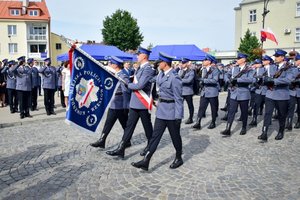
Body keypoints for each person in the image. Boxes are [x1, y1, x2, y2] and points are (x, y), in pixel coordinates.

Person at [131, 52, 184, 171]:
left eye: (159, 62)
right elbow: (150, 81)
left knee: (175, 137)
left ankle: (178, 157)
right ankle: (146, 160)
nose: (158, 64)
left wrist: (178, 117)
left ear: (165, 63)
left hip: (171, 113)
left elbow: (178, 99)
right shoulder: (161, 74)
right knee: (155, 137)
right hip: (161, 111)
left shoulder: (175, 78)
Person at [106, 47, 155, 158]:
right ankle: (121, 148)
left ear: (144, 56)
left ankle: (150, 147)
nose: (137, 56)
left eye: (139, 54)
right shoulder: (140, 68)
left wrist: (128, 84)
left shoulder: (148, 69)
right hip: (135, 101)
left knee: (147, 126)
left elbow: (140, 85)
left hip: (142, 102)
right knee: (129, 126)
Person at [90, 56, 131, 148]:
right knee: (108, 122)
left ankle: (127, 141)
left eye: (111, 63)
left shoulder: (123, 75)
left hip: (120, 104)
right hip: (113, 103)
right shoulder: (113, 74)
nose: (109, 65)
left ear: (115, 65)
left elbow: (127, 90)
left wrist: (126, 104)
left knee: (125, 124)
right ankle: (102, 140)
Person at [258, 49, 294, 141]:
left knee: (281, 115)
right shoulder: (272, 67)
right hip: (270, 94)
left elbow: (288, 80)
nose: (275, 58)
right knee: (267, 113)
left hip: (282, 95)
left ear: (282, 57)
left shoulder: (290, 68)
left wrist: (274, 81)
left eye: (277, 56)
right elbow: (267, 76)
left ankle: (281, 131)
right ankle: (264, 132)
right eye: (275, 56)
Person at [220, 53, 255, 136]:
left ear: (244, 60)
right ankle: (228, 128)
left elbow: (251, 79)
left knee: (244, 112)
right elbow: (226, 75)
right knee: (231, 111)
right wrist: (228, 80)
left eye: (239, 59)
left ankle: (244, 127)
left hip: (244, 93)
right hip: (234, 92)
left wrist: (237, 80)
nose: (237, 60)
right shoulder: (234, 68)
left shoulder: (250, 69)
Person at [192, 54, 219, 130]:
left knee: (213, 108)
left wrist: (203, 80)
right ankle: (198, 122)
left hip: (212, 92)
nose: (203, 61)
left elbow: (215, 80)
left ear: (209, 61)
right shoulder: (203, 69)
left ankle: (213, 122)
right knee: (201, 108)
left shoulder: (215, 70)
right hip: (204, 92)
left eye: (205, 60)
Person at [249, 55, 277, 126]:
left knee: (268, 107)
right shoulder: (260, 69)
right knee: (256, 106)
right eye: (262, 60)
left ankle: (268, 120)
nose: (263, 61)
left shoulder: (273, 68)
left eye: (264, 60)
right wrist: (255, 82)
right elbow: (255, 77)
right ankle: (254, 119)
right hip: (259, 90)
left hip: (268, 90)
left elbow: (274, 77)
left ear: (268, 61)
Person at [178, 58, 194, 124]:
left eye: (184, 63)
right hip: (180, 91)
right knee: (179, 106)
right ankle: (179, 117)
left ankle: (190, 118)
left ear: (187, 63)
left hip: (188, 91)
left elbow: (189, 80)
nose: (182, 64)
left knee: (190, 105)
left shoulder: (191, 71)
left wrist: (179, 81)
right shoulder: (180, 71)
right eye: (182, 63)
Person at [293, 54, 300, 129]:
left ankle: (299, 121)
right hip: (293, 91)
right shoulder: (294, 69)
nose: (295, 62)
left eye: (296, 60)